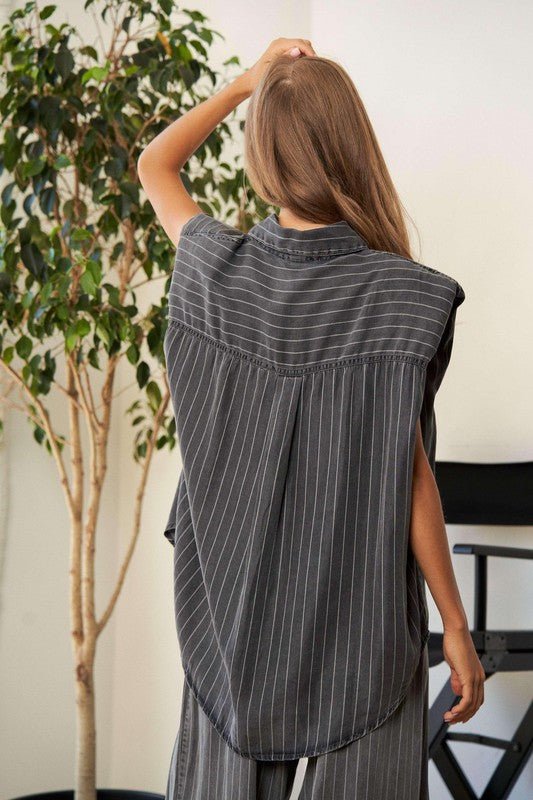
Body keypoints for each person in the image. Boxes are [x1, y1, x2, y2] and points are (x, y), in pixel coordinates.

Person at [138, 37, 486, 800]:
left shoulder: (212, 268)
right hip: (358, 627)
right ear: (351, 146)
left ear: (262, 154)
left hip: (230, 627)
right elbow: (409, 480)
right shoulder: (404, 296)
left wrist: (245, 84)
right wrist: (455, 629)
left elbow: (155, 165)